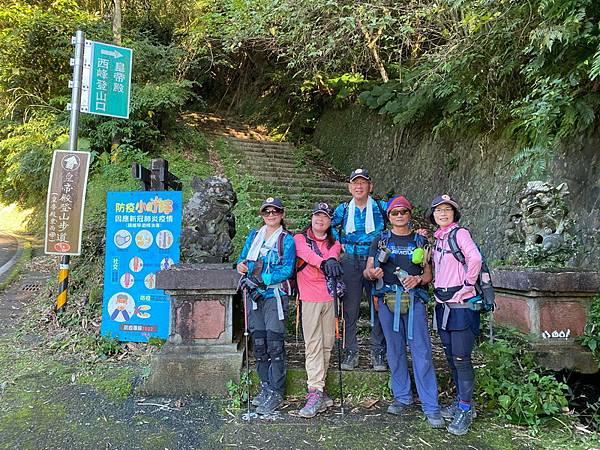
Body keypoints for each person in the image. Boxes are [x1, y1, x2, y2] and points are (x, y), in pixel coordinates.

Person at [363, 195, 444, 428]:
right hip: (387, 301)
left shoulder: (420, 241)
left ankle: (431, 405)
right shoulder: (380, 240)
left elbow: (428, 274)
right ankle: (402, 397)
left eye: (403, 212)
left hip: (414, 300)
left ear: (410, 214)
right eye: (394, 213)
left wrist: (418, 279)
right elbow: (368, 270)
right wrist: (372, 274)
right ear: (388, 217)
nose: (399, 216)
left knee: (421, 351)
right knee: (394, 350)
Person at [236, 197, 296, 415]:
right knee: (259, 343)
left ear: (281, 214)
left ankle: (277, 391)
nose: (271, 215)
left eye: (275, 211)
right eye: (267, 212)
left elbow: (287, 269)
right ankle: (265, 387)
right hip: (254, 296)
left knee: (274, 343)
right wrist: (241, 266)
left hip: (274, 295)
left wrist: (263, 278)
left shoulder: (286, 240)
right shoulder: (254, 236)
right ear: (262, 215)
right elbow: (242, 259)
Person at [428, 194, 482, 436]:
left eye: (447, 210)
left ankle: (466, 408)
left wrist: (468, 286)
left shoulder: (460, 234)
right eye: (438, 210)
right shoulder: (438, 239)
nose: (443, 213)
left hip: (461, 307)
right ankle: (461, 402)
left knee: (461, 358)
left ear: (454, 214)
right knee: (451, 357)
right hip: (443, 305)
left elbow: (475, 258)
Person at [332, 168, 388, 371]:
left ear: (370, 186)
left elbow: (400, 218)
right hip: (350, 260)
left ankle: (378, 351)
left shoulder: (381, 208)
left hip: (376, 261)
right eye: (355, 182)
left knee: (379, 305)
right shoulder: (343, 210)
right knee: (350, 308)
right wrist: (338, 245)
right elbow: (328, 225)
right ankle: (351, 350)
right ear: (349, 187)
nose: (359, 186)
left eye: (363, 182)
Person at [294, 202, 343, 418]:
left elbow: (334, 253)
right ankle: (314, 391)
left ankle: (320, 389)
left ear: (330, 221)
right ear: (312, 218)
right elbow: (307, 255)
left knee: (326, 344)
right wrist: (324, 264)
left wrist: (330, 260)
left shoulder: (334, 243)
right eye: (317, 216)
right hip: (309, 298)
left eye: (324, 217)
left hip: (329, 298)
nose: (320, 220)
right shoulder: (300, 239)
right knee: (313, 344)